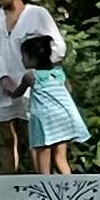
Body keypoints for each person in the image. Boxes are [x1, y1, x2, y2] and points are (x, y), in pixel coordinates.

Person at [0, 0, 63, 170]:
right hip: (1, 83)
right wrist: (3, 77)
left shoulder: (38, 13)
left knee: (33, 136)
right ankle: (9, 181)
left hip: (31, 82)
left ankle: (40, 180)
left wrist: (40, 68)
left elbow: (58, 46)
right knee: (7, 137)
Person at [16, 26, 90, 173]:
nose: (22, 59)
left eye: (23, 56)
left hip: (44, 118)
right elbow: (67, 90)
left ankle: (44, 182)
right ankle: (69, 184)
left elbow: (18, 92)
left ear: (32, 58)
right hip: (62, 118)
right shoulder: (58, 73)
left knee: (42, 152)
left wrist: (9, 91)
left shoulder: (31, 75)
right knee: (60, 157)